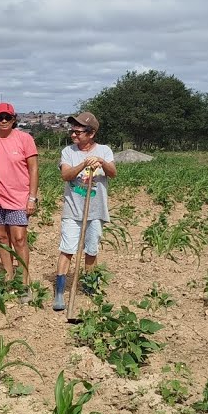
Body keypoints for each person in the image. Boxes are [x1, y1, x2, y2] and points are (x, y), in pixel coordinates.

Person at [54, 111, 117, 310]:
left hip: (96, 211)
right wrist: (83, 164)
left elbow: (113, 173)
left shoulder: (104, 151)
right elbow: (66, 175)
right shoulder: (68, 152)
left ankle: (90, 287)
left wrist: (102, 162)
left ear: (91, 134)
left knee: (91, 250)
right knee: (67, 249)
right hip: (73, 210)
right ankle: (59, 292)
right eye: (72, 131)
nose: (73, 134)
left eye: (78, 132)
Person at [0, 102, 39, 284]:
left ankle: (24, 282)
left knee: (19, 239)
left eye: (7, 117)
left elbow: (34, 169)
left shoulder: (25, 139)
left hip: (19, 197)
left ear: (14, 119)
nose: (3, 121)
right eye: (0, 118)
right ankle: (8, 278)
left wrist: (32, 198)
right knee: (2, 237)